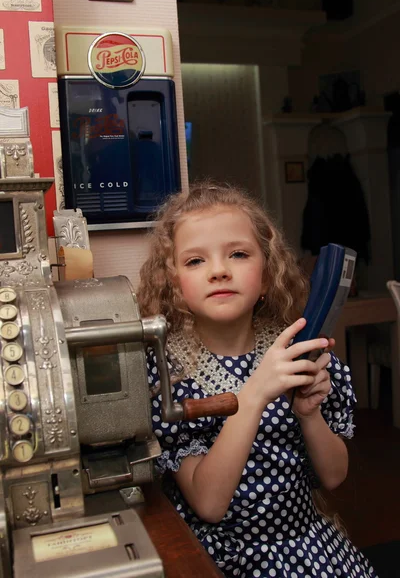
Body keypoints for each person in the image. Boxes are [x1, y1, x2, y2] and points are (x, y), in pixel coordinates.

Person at [137, 181, 376, 578]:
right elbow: (210, 504)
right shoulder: (167, 373)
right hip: (222, 558)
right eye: (195, 261)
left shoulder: (295, 351)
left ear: (266, 276)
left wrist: (309, 413)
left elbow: (334, 476)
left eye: (239, 254)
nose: (219, 270)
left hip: (309, 548)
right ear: (173, 282)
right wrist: (254, 396)